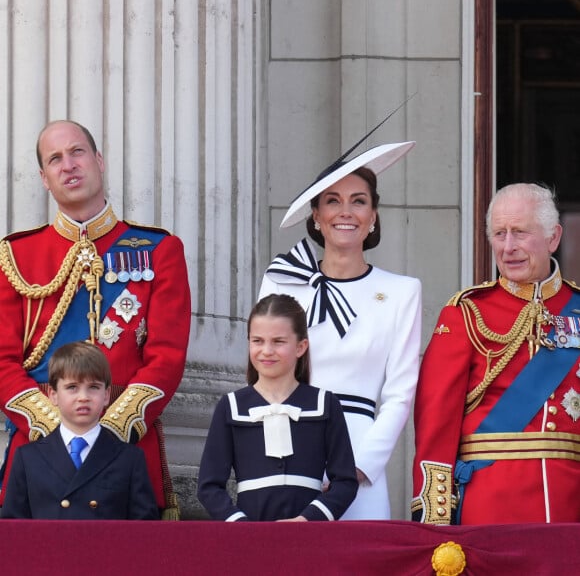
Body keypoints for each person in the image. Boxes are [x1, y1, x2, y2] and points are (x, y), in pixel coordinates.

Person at [0, 120, 191, 518]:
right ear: (44, 179)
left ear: (99, 161)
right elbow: (2, 362)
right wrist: (59, 430)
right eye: (55, 159)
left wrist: (108, 433)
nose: (68, 165)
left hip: (127, 450)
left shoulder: (160, 249)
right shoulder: (16, 256)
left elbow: (167, 357)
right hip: (38, 454)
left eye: (77, 152)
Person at [259, 142, 422, 520]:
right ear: (315, 215)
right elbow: (262, 373)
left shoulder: (402, 291)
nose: (345, 212)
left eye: (358, 201)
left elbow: (400, 393)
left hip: (359, 454)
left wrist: (360, 467)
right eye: (332, 201)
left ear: (373, 215)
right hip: (287, 444)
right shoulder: (282, 282)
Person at [412, 182, 580, 525]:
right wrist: (435, 522)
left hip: (571, 506)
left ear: (553, 237)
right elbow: (435, 427)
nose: (507, 247)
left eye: (519, 233)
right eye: (498, 234)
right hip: (490, 510)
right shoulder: (466, 314)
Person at [197, 293, 358, 521]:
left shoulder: (325, 404)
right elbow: (208, 486)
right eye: (257, 341)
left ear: (301, 347)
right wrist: (239, 525)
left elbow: (345, 482)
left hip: (310, 537)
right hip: (249, 538)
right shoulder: (231, 406)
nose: (266, 351)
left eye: (278, 341)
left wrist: (309, 519)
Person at [2, 341, 159, 519]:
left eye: (93, 387)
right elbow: (13, 531)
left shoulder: (130, 459)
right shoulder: (28, 458)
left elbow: (144, 532)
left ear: (106, 395)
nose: (83, 397)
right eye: (72, 388)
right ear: (53, 395)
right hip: (47, 547)